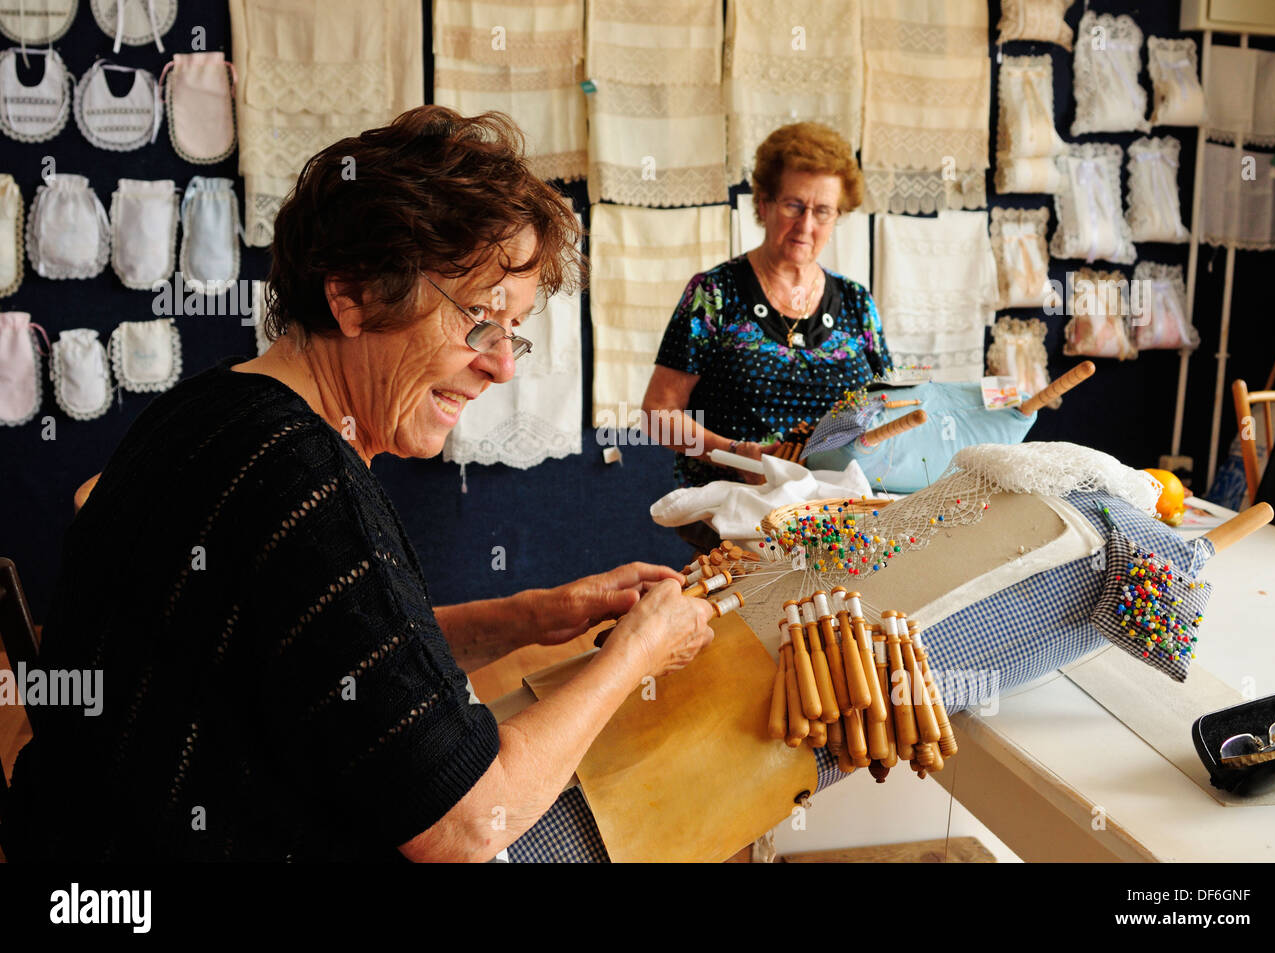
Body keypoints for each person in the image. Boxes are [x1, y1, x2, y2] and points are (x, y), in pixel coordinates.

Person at [0, 106, 715, 862]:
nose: (503, 364)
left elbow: (341, 654)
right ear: (353, 294)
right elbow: (469, 824)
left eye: (514, 330)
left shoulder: (208, 411)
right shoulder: (308, 489)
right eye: (478, 316)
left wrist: (531, 615)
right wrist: (633, 653)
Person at [642, 122, 893, 490]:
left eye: (823, 210)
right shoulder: (713, 294)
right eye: (794, 205)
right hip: (731, 509)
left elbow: (885, 403)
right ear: (764, 203)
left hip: (838, 511)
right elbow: (657, 415)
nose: (806, 225)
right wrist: (730, 452)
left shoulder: (856, 301)